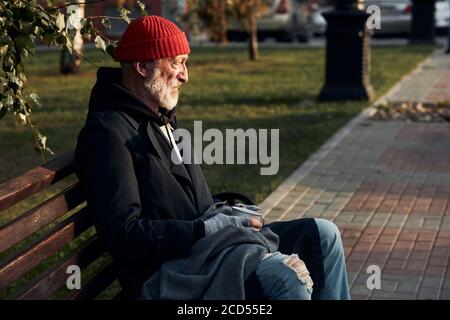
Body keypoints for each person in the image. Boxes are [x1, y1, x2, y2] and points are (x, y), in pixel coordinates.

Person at [74, 15, 350, 300]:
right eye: (177, 62)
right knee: (287, 277)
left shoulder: (160, 117)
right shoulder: (108, 133)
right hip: (172, 272)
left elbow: (195, 203)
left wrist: (230, 216)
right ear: (143, 67)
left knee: (325, 235)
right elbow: (125, 235)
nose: (185, 75)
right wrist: (204, 229)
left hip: (210, 251)